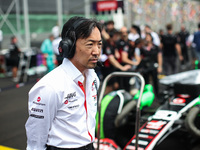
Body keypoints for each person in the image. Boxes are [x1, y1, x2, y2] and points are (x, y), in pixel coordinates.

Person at [25, 16, 103, 150]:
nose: (96, 52)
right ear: (69, 46)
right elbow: (36, 141)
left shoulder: (93, 77)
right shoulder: (49, 87)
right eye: (90, 44)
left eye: (99, 44)